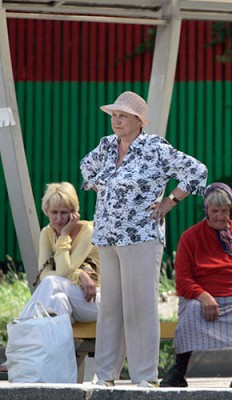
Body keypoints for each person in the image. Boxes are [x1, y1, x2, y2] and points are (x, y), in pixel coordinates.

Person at [80, 90, 208, 388]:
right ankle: (105, 375)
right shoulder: (107, 146)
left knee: (139, 306)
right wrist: (98, 186)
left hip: (141, 235)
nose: (116, 120)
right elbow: (86, 167)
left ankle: (144, 377)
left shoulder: (154, 147)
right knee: (110, 305)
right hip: (107, 234)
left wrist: (170, 202)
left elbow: (196, 171)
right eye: (114, 115)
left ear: (139, 121)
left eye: (122, 115)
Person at [159, 182, 232, 388]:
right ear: (206, 210)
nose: (221, 216)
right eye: (215, 211)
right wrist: (203, 296)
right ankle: (178, 370)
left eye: (225, 211)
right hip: (201, 297)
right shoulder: (190, 237)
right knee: (191, 313)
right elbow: (183, 280)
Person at [0, 182, 100, 373]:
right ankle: (56, 371)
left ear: (75, 212)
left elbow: (61, 273)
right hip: (70, 298)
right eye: (55, 212)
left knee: (52, 283)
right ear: (46, 211)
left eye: (65, 212)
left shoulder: (88, 230)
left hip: (95, 300)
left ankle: (16, 353)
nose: (60, 219)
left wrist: (64, 236)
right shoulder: (46, 232)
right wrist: (79, 274)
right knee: (57, 300)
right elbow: (45, 272)